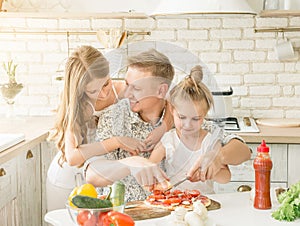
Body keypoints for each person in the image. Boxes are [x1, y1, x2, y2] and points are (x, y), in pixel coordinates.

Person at [85, 48, 251, 201]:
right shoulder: (113, 118)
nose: (126, 93)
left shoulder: (185, 119)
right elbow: (92, 174)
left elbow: (242, 149)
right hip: (127, 213)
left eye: (136, 88)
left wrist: (217, 157)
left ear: (161, 91)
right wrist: (131, 163)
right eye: (127, 84)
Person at [46, 45, 146, 211]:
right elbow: (73, 157)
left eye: (106, 84)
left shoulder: (120, 89)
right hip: (69, 177)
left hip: (96, 177)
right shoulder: (80, 107)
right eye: (93, 90)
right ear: (80, 89)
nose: (103, 94)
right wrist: (117, 142)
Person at [149, 65, 231, 194]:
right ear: (172, 110)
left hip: (205, 202)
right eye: (182, 117)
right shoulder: (168, 140)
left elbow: (226, 178)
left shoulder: (210, 142)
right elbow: (149, 167)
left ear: (204, 115)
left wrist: (209, 172)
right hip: (175, 202)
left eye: (195, 119)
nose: (187, 125)